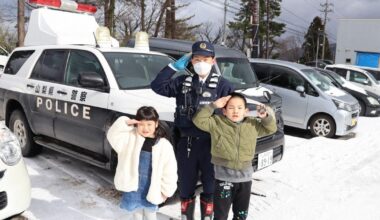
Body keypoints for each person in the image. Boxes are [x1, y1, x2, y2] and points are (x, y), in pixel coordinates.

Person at [151, 41, 234, 219]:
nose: (201, 62)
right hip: (186, 144)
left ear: (213, 60)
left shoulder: (223, 86)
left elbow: (233, 117)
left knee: (210, 187)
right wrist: (173, 67)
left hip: (212, 145)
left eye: (205, 58)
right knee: (186, 186)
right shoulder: (182, 82)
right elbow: (157, 86)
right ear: (191, 61)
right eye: (196, 59)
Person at [192, 92, 277, 220]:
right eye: (231, 108)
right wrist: (213, 105)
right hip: (223, 178)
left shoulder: (252, 125)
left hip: (245, 179)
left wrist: (265, 117)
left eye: (239, 108)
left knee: (241, 215)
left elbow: (271, 129)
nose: (235, 111)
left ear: (246, 111)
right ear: (224, 111)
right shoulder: (217, 123)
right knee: (220, 216)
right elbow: (198, 120)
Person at [107, 106, 178, 220]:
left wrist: (166, 191)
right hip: (133, 187)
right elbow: (112, 135)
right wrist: (126, 122)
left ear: (156, 124)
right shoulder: (130, 139)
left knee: (150, 214)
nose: (145, 128)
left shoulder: (163, 145)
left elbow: (169, 170)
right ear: (136, 124)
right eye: (141, 124)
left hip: (152, 187)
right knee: (136, 213)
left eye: (149, 124)